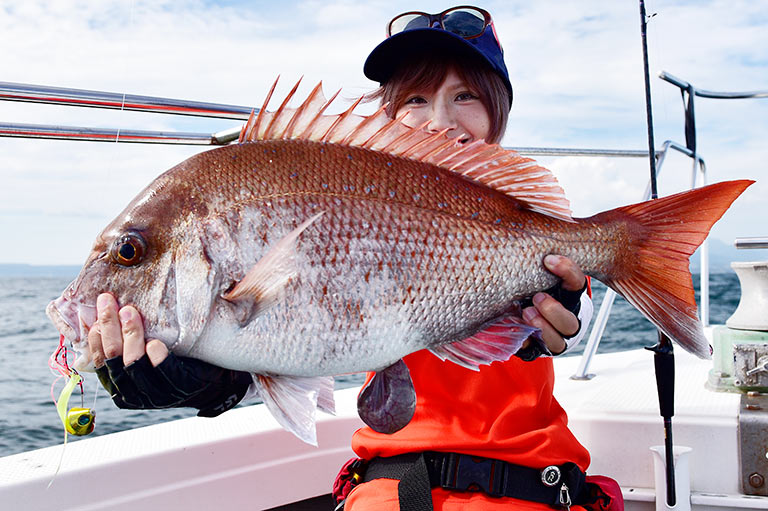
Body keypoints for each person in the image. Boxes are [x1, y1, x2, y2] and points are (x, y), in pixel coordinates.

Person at [89, 5, 617, 511]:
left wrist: (546, 323)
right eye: (414, 99)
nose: (438, 120)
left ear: (498, 113)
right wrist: (208, 377)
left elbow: (568, 319)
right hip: (389, 482)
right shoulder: (359, 195)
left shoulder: (525, 223)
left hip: (528, 482)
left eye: (464, 97)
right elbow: (294, 334)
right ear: (385, 116)